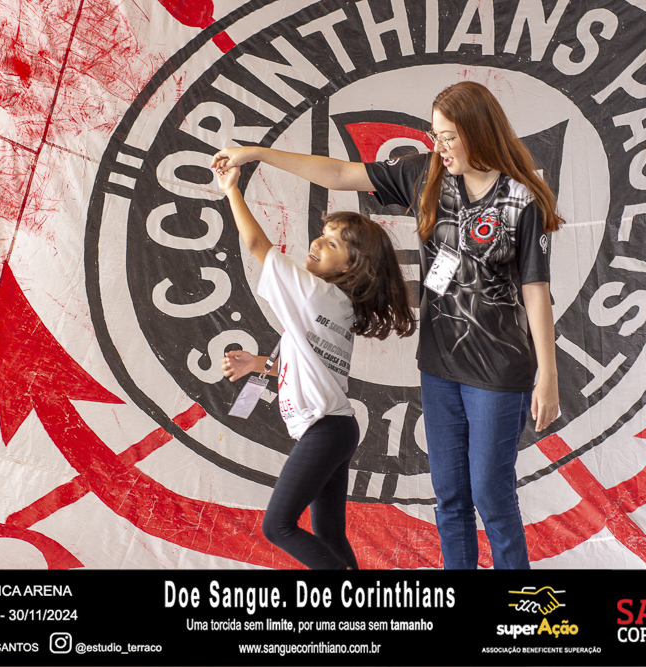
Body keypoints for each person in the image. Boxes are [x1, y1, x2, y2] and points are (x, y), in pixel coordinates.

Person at [212, 80, 562, 569]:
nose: (438, 146)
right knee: (450, 498)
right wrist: (257, 155)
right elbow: (339, 173)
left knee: (491, 493)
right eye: (435, 135)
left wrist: (548, 375)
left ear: (479, 132)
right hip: (440, 366)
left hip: (500, 370)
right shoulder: (426, 175)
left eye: (448, 137)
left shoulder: (522, 201)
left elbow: (535, 289)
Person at [213, 163, 416, 570]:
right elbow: (309, 366)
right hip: (335, 428)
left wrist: (231, 189)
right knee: (329, 534)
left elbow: (255, 243)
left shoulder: (312, 292)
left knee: (278, 526)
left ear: (350, 267)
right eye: (323, 234)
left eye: (333, 243)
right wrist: (258, 364)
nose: (318, 242)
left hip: (325, 430)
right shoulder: (336, 306)